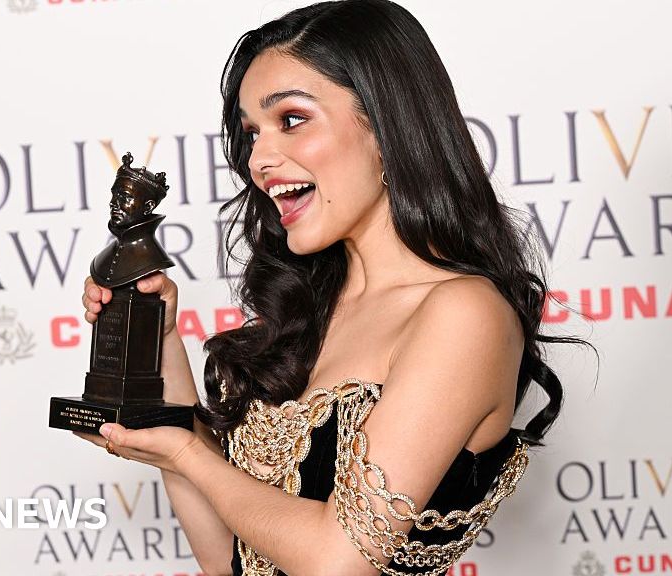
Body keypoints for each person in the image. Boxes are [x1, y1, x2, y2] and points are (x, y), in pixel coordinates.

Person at [78, 1, 588, 574]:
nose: (259, 159)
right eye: (252, 133)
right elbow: (230, 561)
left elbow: (339, 561)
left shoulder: (464, 313)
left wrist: (189, 453)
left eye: (292, 119)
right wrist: (160, 339)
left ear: (387, 127)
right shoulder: (311, 310)